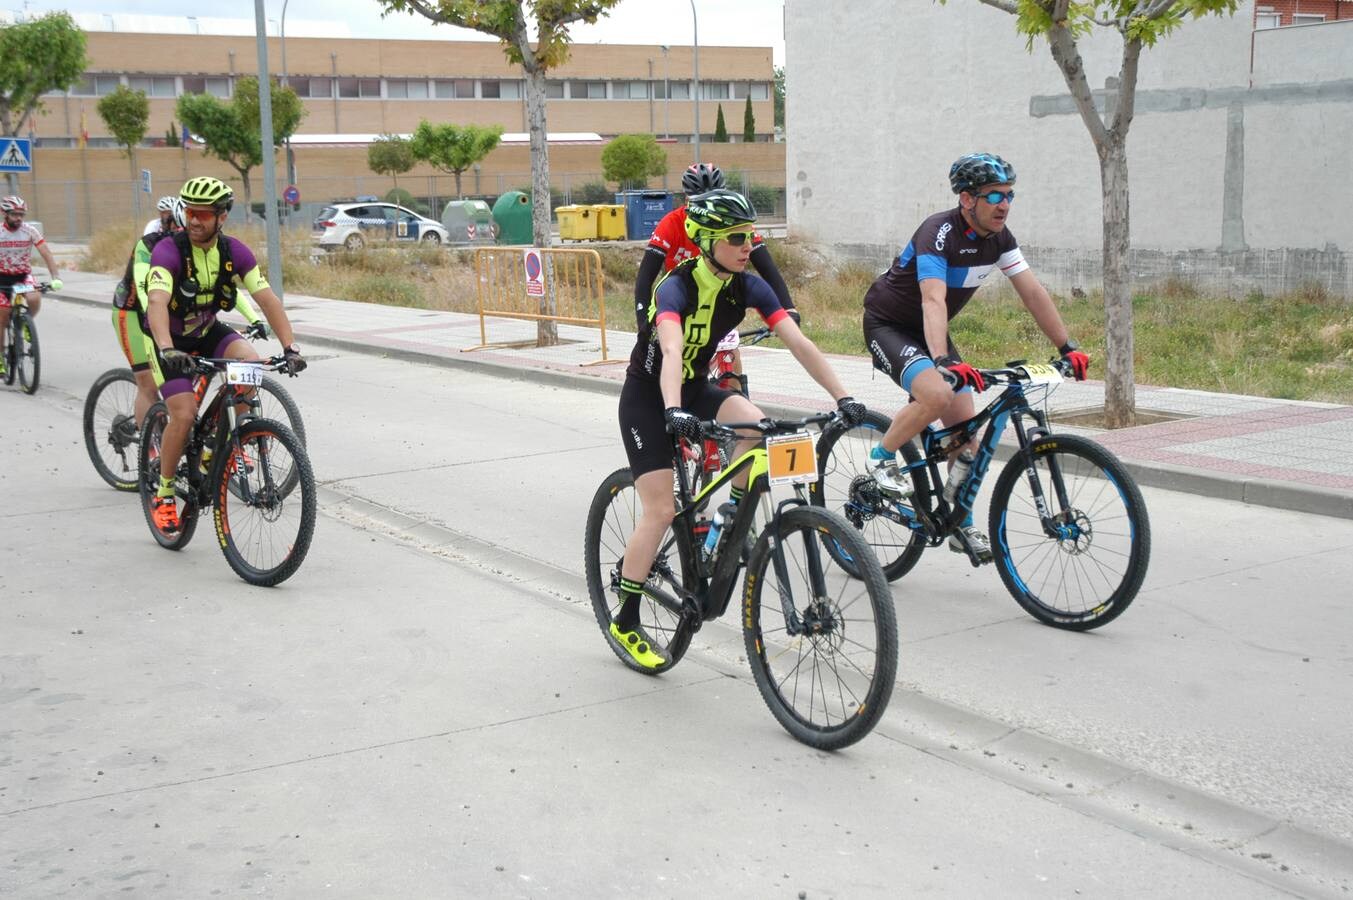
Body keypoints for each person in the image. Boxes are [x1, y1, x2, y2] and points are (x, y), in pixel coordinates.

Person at [612, 189, 866, 669]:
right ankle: (625, 618)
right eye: (736, 237)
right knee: (661, 509)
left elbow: (798, 341)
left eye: (751, 235)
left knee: (758, 427)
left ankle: (730, 520)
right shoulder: (676, 288)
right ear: (707, 240)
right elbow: (669, 353)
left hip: (695, 389)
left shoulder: (748, 286)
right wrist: (672, 410)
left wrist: (843, 397)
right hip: (649, 397)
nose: (748, 244)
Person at [861, 153, 1090, 558]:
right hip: (890, 326)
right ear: (967, 200)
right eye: (994, 196)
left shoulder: (999, 239)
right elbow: (933, 299)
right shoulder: (938, 232)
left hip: (933, 333)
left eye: (1009, 195)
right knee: (936, 395)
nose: (1004, 204)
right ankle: (882, 459)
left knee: (966, 444)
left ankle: (958, 523)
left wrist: (1066, 347)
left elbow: (1033, 292)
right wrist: (943, 361)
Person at [143, 176, 306, 534]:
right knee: (183, 416)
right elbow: (156, 300)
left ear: (222, 216)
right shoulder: (169, 251)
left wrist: (289, 347)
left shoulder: (235, 252)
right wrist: (167, 348)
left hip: (206, 331)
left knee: (250, 371)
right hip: (167, 340)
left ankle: (211, 452)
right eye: (190, 212)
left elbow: (267, 300)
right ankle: (165, 492)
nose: (195, 220)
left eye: (203, 214)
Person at [633, 162, 797, 394]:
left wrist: (788, 308)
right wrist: (643, 325)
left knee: (731, 370)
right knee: (674, 374)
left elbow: (768, 269)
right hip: (679, 306)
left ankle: (735, 400)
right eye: (695, 203)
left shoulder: (732, 225)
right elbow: (644, 280)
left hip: (718, 302)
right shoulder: (671, 223)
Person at [113, 198, 270, 434]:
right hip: (134, 311)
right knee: (146, 380)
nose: (186, 233)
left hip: (173, 315)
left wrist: (255, 319)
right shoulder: (151, 245)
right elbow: (149, 294)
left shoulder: (200, 249)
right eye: (180, 226)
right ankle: (151, 449)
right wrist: (161, 330)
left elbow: (225, 288)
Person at [0, 196, 61, 374]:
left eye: (21, 214)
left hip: (22, 276)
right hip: (1, 278)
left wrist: (55, 277)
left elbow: (46, 253)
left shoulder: (29, 231)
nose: (18, 218)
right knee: (2, 315)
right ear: (4, 214)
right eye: (14, 214)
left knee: (34, 297)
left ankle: (26, 323)